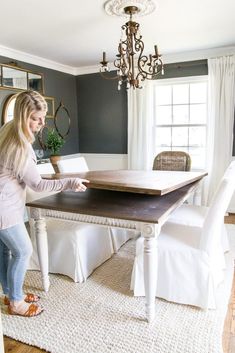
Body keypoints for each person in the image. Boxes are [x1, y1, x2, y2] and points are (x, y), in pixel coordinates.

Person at [0, 90, 89, 317]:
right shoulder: (20, 146)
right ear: (22, 116)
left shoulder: (7, 130)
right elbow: (38, 185)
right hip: (4, 209)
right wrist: (69, 183)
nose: (41, 123)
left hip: (4, 205)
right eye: (35, 118)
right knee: (23, 250)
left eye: (42, 118)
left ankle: (11, 294)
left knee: (5, 251)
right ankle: (17, 303)